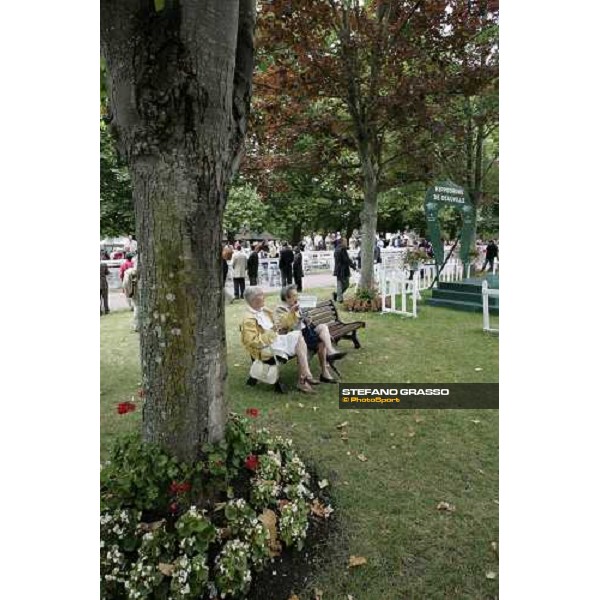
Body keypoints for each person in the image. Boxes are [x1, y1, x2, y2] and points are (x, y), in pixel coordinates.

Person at [240, 287, 320, 394]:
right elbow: (253, 342)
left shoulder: (265, 310)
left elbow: (281, 324)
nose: (264, 297)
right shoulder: (248, 320)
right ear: (254, 299)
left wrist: (291, 313)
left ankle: (305, 376)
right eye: (262, 295)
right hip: (264, 348)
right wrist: (272, 332)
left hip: (275, 340)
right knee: (299, 341)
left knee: (299, 336)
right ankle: (304, 378)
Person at [275, 285, 346, 383]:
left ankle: (330, 352)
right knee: (321, 342)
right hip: (296, 337)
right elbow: (284, 325)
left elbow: (303, 323)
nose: (297, 297)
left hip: (306, 333)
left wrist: (307, 320)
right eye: (295, 295)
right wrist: (292, 312)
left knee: (323, 327)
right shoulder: (281, 309)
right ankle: (323, 373)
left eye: (297, 295)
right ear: (287, 297)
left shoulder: (297, 306)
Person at [333, 238, 356, 303]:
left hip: (338, 269)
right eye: (345, 242)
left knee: (340, 284)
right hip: (343, 269)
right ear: (342, 242)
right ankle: (339, 298)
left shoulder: (336, 249)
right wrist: (353, 266)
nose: (346, 243)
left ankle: (338, 296)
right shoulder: (342, 250)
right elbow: (346, 260)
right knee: (346, 284)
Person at [122, 266, 139, 331]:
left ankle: (136, 325)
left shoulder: (128, 271)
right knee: (137, 307)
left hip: (132, 291)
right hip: (135, 291)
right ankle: (136, 326)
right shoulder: (133, 272)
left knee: (136, 307)